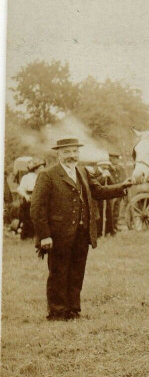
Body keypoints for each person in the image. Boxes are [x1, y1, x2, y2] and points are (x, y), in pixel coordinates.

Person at [31, 138, 134, 321]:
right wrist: (45, 236)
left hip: (82, 233)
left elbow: (99, 191)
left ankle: (73, 310)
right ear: (59, 154)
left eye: (74, 152)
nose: (72, 155)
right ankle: (57, 313)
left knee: (77, 272)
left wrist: (122, 187)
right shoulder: (48, 175)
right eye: (67, 152)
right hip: (58, 234)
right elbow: (37, 208)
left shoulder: (82, 171)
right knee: (58, 273)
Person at [17, 158, 45, 240]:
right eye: (41, 167)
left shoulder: (43, 177)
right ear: (36, 168)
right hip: (29, 199)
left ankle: (38, 236)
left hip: (39, 199)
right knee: (28, 217)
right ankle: (27, 236)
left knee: (39, 217)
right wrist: (26, 196)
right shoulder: (26, 177)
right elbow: (20, 189)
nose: (43, 169)